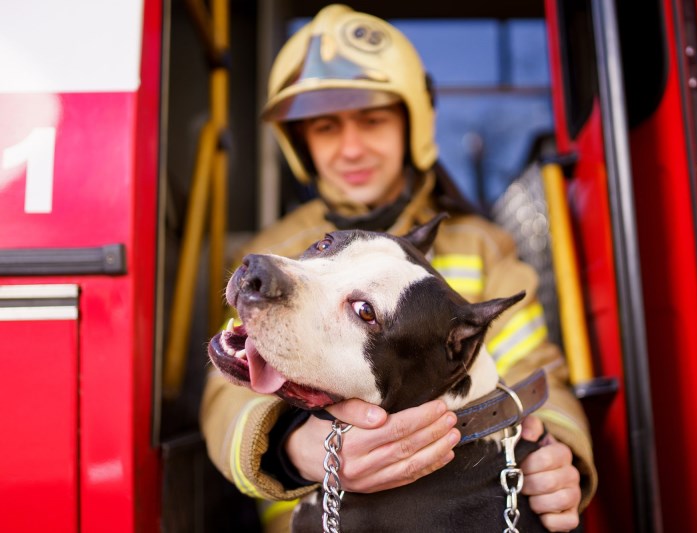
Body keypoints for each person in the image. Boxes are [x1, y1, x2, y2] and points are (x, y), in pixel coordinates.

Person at [200, 5, 597, 532]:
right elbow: (225, 393)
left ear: (413, 124)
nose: (351, 148)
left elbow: (538, 376)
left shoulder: (480, 247)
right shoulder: (275, 251)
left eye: (372, 120)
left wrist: (559, 453)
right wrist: (293, 450)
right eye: (325, 127)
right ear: (301, 145)